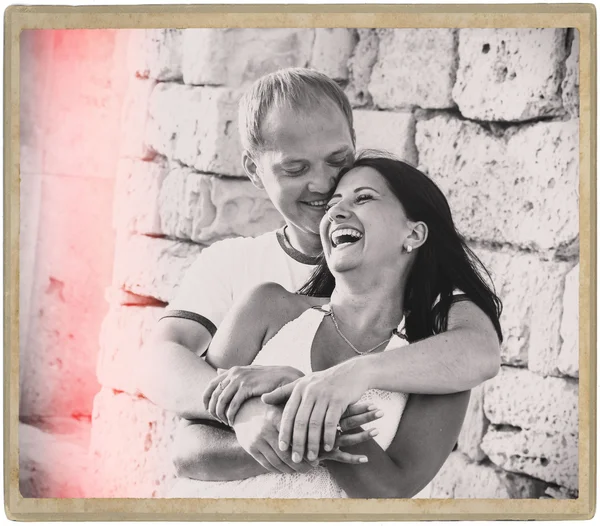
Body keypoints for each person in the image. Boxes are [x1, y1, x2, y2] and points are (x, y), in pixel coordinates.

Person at [138, 68, 502, 492]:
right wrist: (245, 413)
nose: (324, 185)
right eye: (295, 168)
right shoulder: (240, 270)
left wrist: (342, 380)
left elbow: (478, 353)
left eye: (337, 160)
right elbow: (163, 362)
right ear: (255, 172)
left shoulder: (427, 305)